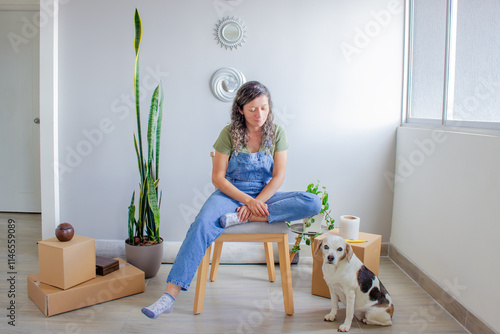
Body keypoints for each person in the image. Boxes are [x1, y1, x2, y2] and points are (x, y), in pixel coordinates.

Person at [141, 81, 321, 319]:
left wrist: (256, 204)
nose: (260, 115)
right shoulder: (228, 134)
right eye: (253, 109)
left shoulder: (277, 133)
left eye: (264, 108)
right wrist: (247, 200)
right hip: (230, 194)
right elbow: (218, 178)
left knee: (312, 202)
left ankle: (240, 218)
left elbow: (278, 177)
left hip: (265, 195)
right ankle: (169, 296)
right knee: (201, 225)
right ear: (240, 109)